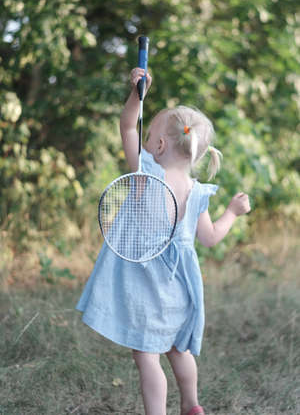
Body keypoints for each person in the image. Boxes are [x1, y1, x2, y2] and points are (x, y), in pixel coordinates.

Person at [76, 68, 251, 415]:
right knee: (178, 351)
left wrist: (136, 96)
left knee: (147, 358)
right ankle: (191, 404)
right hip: (178, 292)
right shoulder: (197, 192)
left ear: (158, 145)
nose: (142, 139)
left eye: (149, 134)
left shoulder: (146, 174)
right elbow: (211, 237)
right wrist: (231, 212)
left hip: (145, 291)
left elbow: (127, 125)